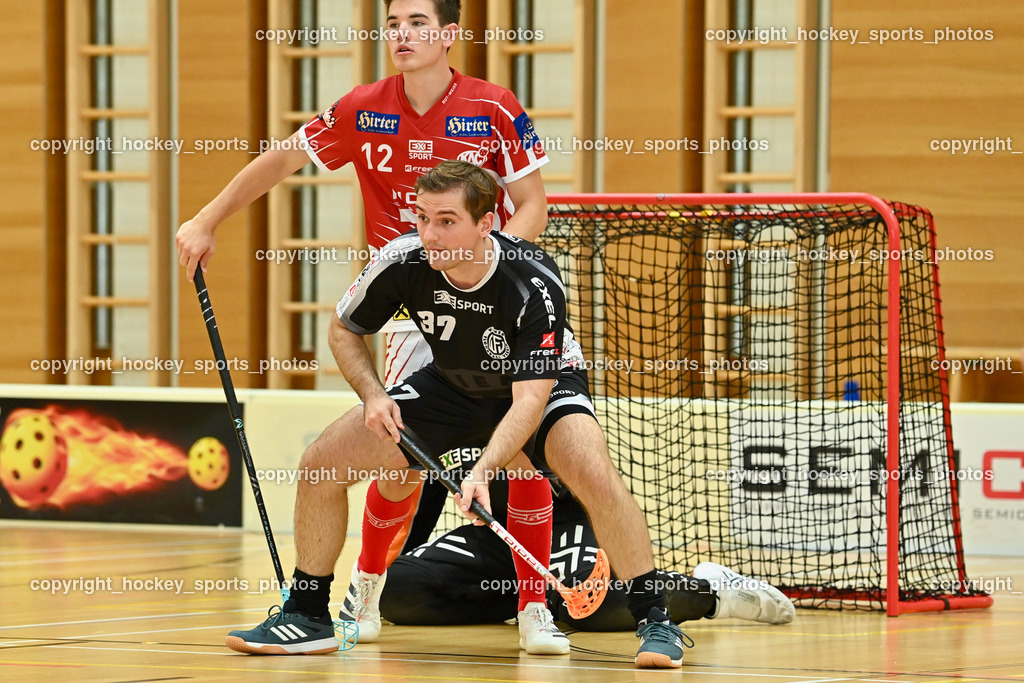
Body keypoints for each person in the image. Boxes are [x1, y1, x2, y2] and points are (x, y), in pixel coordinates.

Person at [174, 0, 558, 649]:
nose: (401, 35)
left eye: (416, 22)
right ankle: (365, 594)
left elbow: (534, 205)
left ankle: (533, 609)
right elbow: (281, 158)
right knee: (399, 461)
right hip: (409, 315)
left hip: (488, 305)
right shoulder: (362, 106)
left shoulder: (493, 106)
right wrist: (207, 218)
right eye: (392, 24)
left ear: (449, 33)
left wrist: (488, 273)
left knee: (522, 458)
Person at [225, 161, 684, 668]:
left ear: (485, 224)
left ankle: (655, 620)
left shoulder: (532, 280)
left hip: (539, 386)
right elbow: (343, 329)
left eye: (446, 221)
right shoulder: (401, 261)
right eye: (422, 217)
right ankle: (309, 614)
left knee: (591, 469)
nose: (429, 234)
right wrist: (375, 395)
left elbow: (528, 400)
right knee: (320, 465)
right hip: (452, 384)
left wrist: (483, 470)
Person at [379, 482, 796, 632]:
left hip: (559, 523)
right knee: (397, 590)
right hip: (494, 535)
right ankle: (533, 601)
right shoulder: (440, 387)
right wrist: (384, 571)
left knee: (594, 609)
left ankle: (712, 592)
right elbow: (431, 479)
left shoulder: (535, 381)